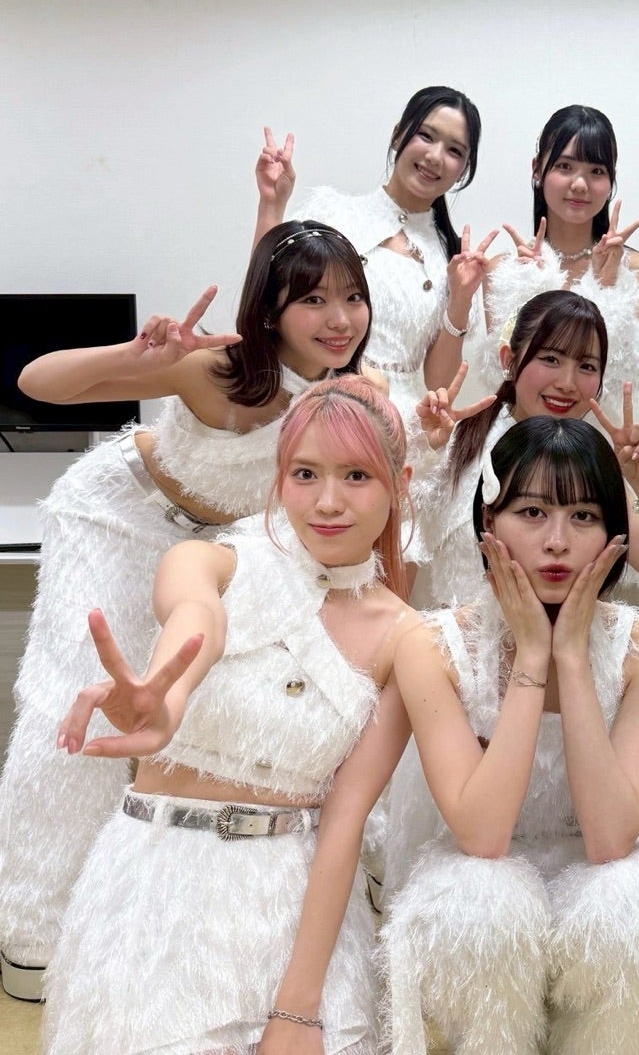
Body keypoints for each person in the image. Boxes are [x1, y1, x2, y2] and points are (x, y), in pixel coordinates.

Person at [0, 219, 370, 999]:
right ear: (272, 311)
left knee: (172, 710)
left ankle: (124, 909)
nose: (339, 318)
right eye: (314, 300)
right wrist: (132, 358)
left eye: (352, 297)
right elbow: (35, 382)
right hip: (119, 515)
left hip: (215, 555)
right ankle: (32, 925)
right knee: (74, 698)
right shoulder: (218, 369)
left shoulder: (351, 396)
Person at [42, 375, 416, 1054]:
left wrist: (299, 1010)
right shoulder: (208, 561)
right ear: (280, 478)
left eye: (357, 475)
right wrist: (167, 699)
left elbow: (346, 822)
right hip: (154, 896)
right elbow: (197, 620)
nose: (327, 501)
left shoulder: (405, 637)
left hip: (295, 912)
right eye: (305, 473)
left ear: (400, 482)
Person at [382, 417, 639, 1054]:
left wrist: (572, 654)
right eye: (533, 512)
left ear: (614, 533)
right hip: (478, 867)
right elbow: (482, 835)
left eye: (584, 516)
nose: (558, 542)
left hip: (598, 863)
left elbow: (611, 838)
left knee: (636, 912)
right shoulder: (434, 646)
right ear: (489, 523)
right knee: (482, 908)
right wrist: (533, 658)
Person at [411, 288, 639, 608]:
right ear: (509, 360)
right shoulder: (456, 443)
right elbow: (395, 539)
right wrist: (425, 450)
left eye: (587, 366)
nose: (567, 383)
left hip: (565, 639)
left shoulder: (591, 463)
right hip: (457, 636)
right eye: (551, 359)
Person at [256, 86, 494, 456]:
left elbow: (437, 381)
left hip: (397, 429)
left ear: (464, 168)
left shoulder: (452, 258)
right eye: (426, 135)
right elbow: (264, 298)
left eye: (454, 151)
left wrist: (461, 298)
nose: (435, 156)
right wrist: (272, 205)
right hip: (311, 405)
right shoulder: (333, 213)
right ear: (398, 134)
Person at [477, 105, 639, 411]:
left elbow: (617, 379)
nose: (580, 184)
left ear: (611, 181)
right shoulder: (504, 269)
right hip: (520, 431)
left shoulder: (631, 269)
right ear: (537, 169)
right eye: (564, 166)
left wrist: (604, 287)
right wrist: (527, 289)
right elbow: (502, 375)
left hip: (592, 431)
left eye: (596, 171)